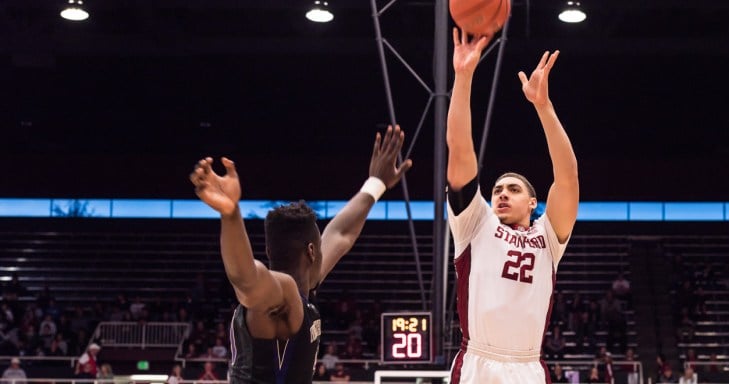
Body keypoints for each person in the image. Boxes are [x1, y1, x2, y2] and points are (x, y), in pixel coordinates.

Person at [189, 125, 411, 384]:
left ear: (271, 250)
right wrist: (230, 215)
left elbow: (341, 233)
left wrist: (376, 184)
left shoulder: (303, 289)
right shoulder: (283, 295)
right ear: (311, 251)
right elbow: (246, 280)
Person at [445, 27, 579, 384]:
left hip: (528, 366)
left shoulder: (548, 237)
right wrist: (463, 77)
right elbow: (459, 150)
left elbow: (567, 178)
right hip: (479, 362)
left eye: (513, 189)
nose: (502, 193)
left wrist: (544, 107)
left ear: (533, 203)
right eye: (497, 189)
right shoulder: (476, 223)